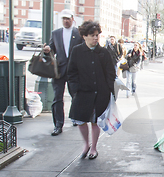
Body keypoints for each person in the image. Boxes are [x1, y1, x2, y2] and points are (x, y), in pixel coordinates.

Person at [67, 21, 115, 160]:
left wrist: (108, 90)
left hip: (100, 93)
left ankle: (93, 147)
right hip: (82, 93)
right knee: (80, 121)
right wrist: (75, 90)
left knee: (95, 121)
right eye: (92, 35)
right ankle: (86, 144)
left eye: (97, 35)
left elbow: (110, 73)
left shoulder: (103, 52)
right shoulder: (77, 51)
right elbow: (71, 73)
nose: (95, 38)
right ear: (84, 36)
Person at [43, 9, 84, 136]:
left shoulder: (78, 33)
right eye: (63, 19)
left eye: (68, 18)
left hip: (74, 71)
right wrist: (47, 50)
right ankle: (58, 125)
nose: (66, 21)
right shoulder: (55, 33)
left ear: (73, 19)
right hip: (59, 70)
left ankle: (75, 117)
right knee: (57, 98)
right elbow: (52, 49)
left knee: (75, 96)